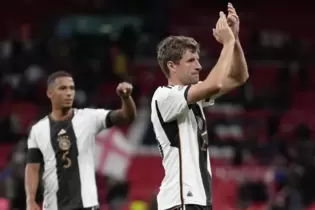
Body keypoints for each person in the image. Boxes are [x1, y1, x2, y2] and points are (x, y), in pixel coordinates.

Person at [151, 4, 248, 210]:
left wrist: (235, 39)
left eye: (198, 59)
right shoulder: (164, 96)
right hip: (181, 200)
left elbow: (240, 76)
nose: (199, 66)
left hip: (198, 200)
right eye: (191, 60)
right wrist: (227, 42)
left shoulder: (194, 99)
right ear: (172, 65)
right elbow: (216, 83)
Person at [25, 71, 137, 210]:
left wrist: (126, 98)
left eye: (71, 88)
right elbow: (32, 168)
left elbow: (127, 116)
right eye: (62, 88)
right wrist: (30, 199)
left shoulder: (90, 118)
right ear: (50, 93)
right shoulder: (39, 129)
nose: (68, 93)